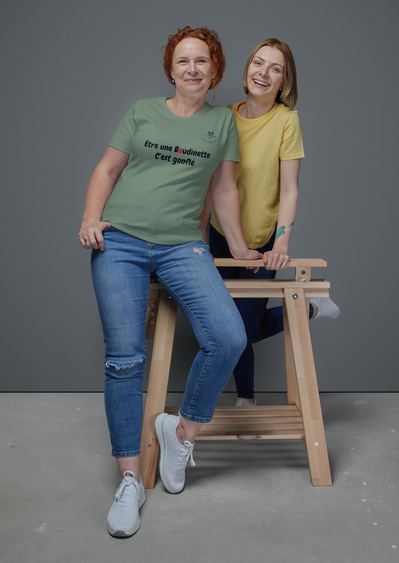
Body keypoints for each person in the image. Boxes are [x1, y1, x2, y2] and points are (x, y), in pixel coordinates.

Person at [78, 27, 261, 537]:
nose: (192, 69)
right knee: (124, 359)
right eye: (183, 61)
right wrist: (91, 216)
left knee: (227, 336)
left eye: (202, 61)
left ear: (215, 69)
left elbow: (224, 187)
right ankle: (130, 480)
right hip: (122, 243)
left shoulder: (221, 122)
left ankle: (180, 438)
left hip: (184, 244)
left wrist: (242, 246)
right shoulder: (141, 111)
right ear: (170, 69)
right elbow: (107, 169)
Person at [205, 38, 340, 406]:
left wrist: (281, 244)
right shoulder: (223, 117)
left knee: (243, 328)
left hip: (263, 241)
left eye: (275, 69)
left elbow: (290, 189)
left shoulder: (286, 121)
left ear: (284, 82)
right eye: (258, 63)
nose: (263, 73)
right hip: (221, 236)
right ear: (247, 69)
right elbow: (210, 183)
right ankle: (245, 399)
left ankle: (308, 308)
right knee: (223, 326)